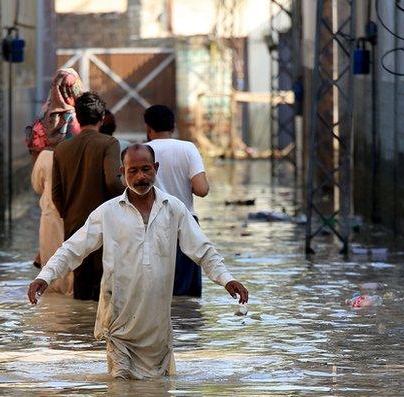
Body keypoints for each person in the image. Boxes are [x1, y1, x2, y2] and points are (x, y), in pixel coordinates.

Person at [28, 144, 249, 380]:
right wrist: (45, 276)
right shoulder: (108, 212)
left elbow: (202, 250)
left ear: (156, 168)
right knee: (120, 386)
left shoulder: (173, 209)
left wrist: (227, 279)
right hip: (118, 322)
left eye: (145, 169)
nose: (140, 177)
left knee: (158, 394)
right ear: (123, 173)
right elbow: (73, 249)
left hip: (157, 327)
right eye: (133, 171)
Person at [51, 92, 124, 301]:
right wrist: (129, 202)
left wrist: (69, 214)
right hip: (104, 225)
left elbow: (56, 194)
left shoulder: (62, 148)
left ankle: (80, 332)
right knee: (105, 290)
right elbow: (112, 181)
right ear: (102, 119)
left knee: (81, 289)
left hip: (74, 226)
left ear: (78, 119)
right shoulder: (109, 143)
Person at [144, 105, 210, 297]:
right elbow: (202, 189)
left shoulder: (142, 151)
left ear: (148, 128)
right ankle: (186, 324)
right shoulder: (188, 148)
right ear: (173, 126)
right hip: (185, 223)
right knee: (186, 291)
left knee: (156, 289)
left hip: (152, 224)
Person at [27, 69, 84, 292]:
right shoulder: (83, 121)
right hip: (80, 200)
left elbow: (37, 179)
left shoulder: (41, 124)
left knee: (52, 268)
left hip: (50, 199)